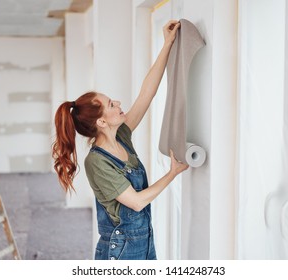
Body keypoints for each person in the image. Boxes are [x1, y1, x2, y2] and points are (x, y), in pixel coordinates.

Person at [52, 20, 188, 260]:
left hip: (144, 240)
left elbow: (147, 92)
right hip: (121, 249)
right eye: (111, 105)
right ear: (101, 123)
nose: (118, 104)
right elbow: (136, 202)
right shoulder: (97, 163)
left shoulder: (121, 136)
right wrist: (172, 173)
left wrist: (167, 43)